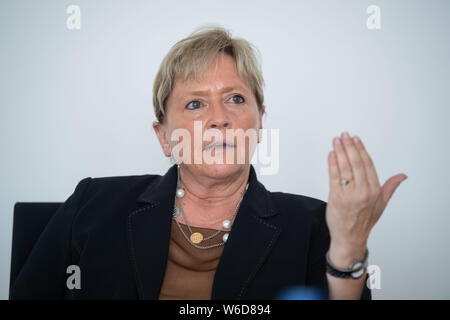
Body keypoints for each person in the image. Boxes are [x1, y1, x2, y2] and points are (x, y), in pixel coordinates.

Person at [10, 25, 407, 300]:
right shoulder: (91, 203)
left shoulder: (315, 226)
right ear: (164, 136)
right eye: (195, 103)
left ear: (259, 121)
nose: (219, 117)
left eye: (236, 98)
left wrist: (349, 249)